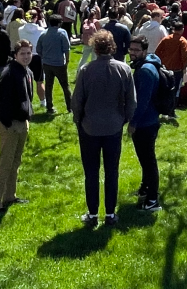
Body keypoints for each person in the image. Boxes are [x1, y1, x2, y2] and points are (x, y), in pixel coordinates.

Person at [72, 31, 136, 227]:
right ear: (112, 47)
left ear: (95, 48)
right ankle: (109, 213)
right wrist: (123, 119)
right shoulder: (124, 70)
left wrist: (79, 120)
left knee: (91, 172)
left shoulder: (86, 70)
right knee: (112, 171)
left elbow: (77, 102)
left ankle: (92, 214)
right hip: (113, 127)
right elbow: (131, 101)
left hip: (89, 127)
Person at [0, 39, 35, 213]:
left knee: (15, 162)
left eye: (28, 53)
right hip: (10, 125)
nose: (26, 56)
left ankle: (9, 196)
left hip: (23, 123)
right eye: (22, 53)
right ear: (15, 55)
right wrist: (7, 122)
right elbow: (2, 101)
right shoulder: (9, 73)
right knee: (5, 165)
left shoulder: (27, 71)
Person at [128, 34, 163, 211]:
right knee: (145, 160)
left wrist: (133, 122)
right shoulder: (147, 65)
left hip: (146, 123)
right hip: (149, 120)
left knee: (148, 161)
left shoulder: (145, 71)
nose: (132, 53)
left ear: (144, 51)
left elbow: (142, 101)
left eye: (136, 50)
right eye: (131, 49)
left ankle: (152, 201)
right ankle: (145, 189)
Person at [37, 14, 72, 113]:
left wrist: (45, 57)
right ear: (60, 23)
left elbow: (38, 49)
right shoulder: (62, 33)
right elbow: (66, 49)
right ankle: (70, 107)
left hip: (47, 64)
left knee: (48, 86)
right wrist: (67, 61)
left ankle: (49, 107)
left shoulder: (43, 34)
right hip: (59, 64)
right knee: (65, 86)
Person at [155, 19, 187, 117]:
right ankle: (171, 112)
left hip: (165, 68)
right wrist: (184, 67)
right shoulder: (183, 41)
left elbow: (157, 52)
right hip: (177, 69)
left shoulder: (166, 39)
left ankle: (162, 110)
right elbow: (184, 56)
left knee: (163, 89)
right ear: (182, 29)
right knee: (174, 91)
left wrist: (162, 61)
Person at [19, 10, 47, 107]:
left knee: (25, 80)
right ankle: (43, 101)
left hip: (24, 56)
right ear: (36, 18)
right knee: (39, 81)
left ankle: (26, 101)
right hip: (36, 57)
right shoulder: (41, 30)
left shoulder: (21, 29)